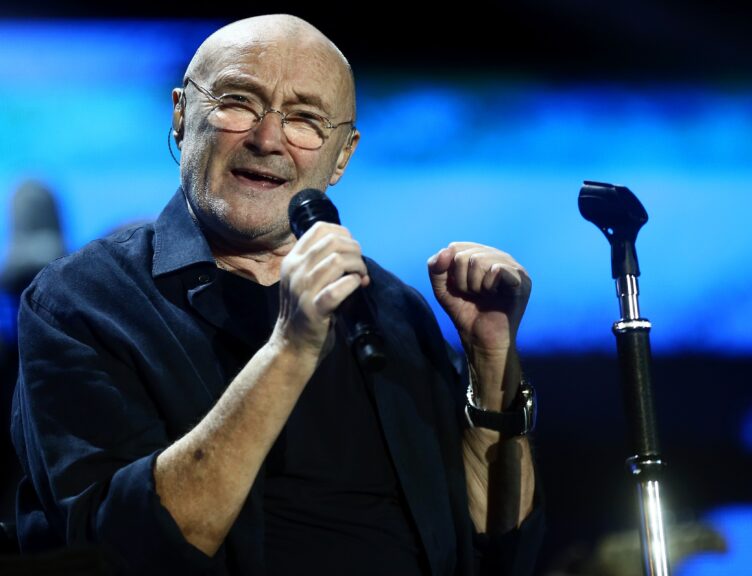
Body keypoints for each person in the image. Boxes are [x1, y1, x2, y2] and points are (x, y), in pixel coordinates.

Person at [11, 14, 544, 576]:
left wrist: (491, 360)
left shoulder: (393, 311)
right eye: (238, 102)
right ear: (181, 115)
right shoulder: (83, 301)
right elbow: (126, 549)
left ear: (342, 156)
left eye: (305, 120)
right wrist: (290, 348)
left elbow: (499, 551)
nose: (267, 140)